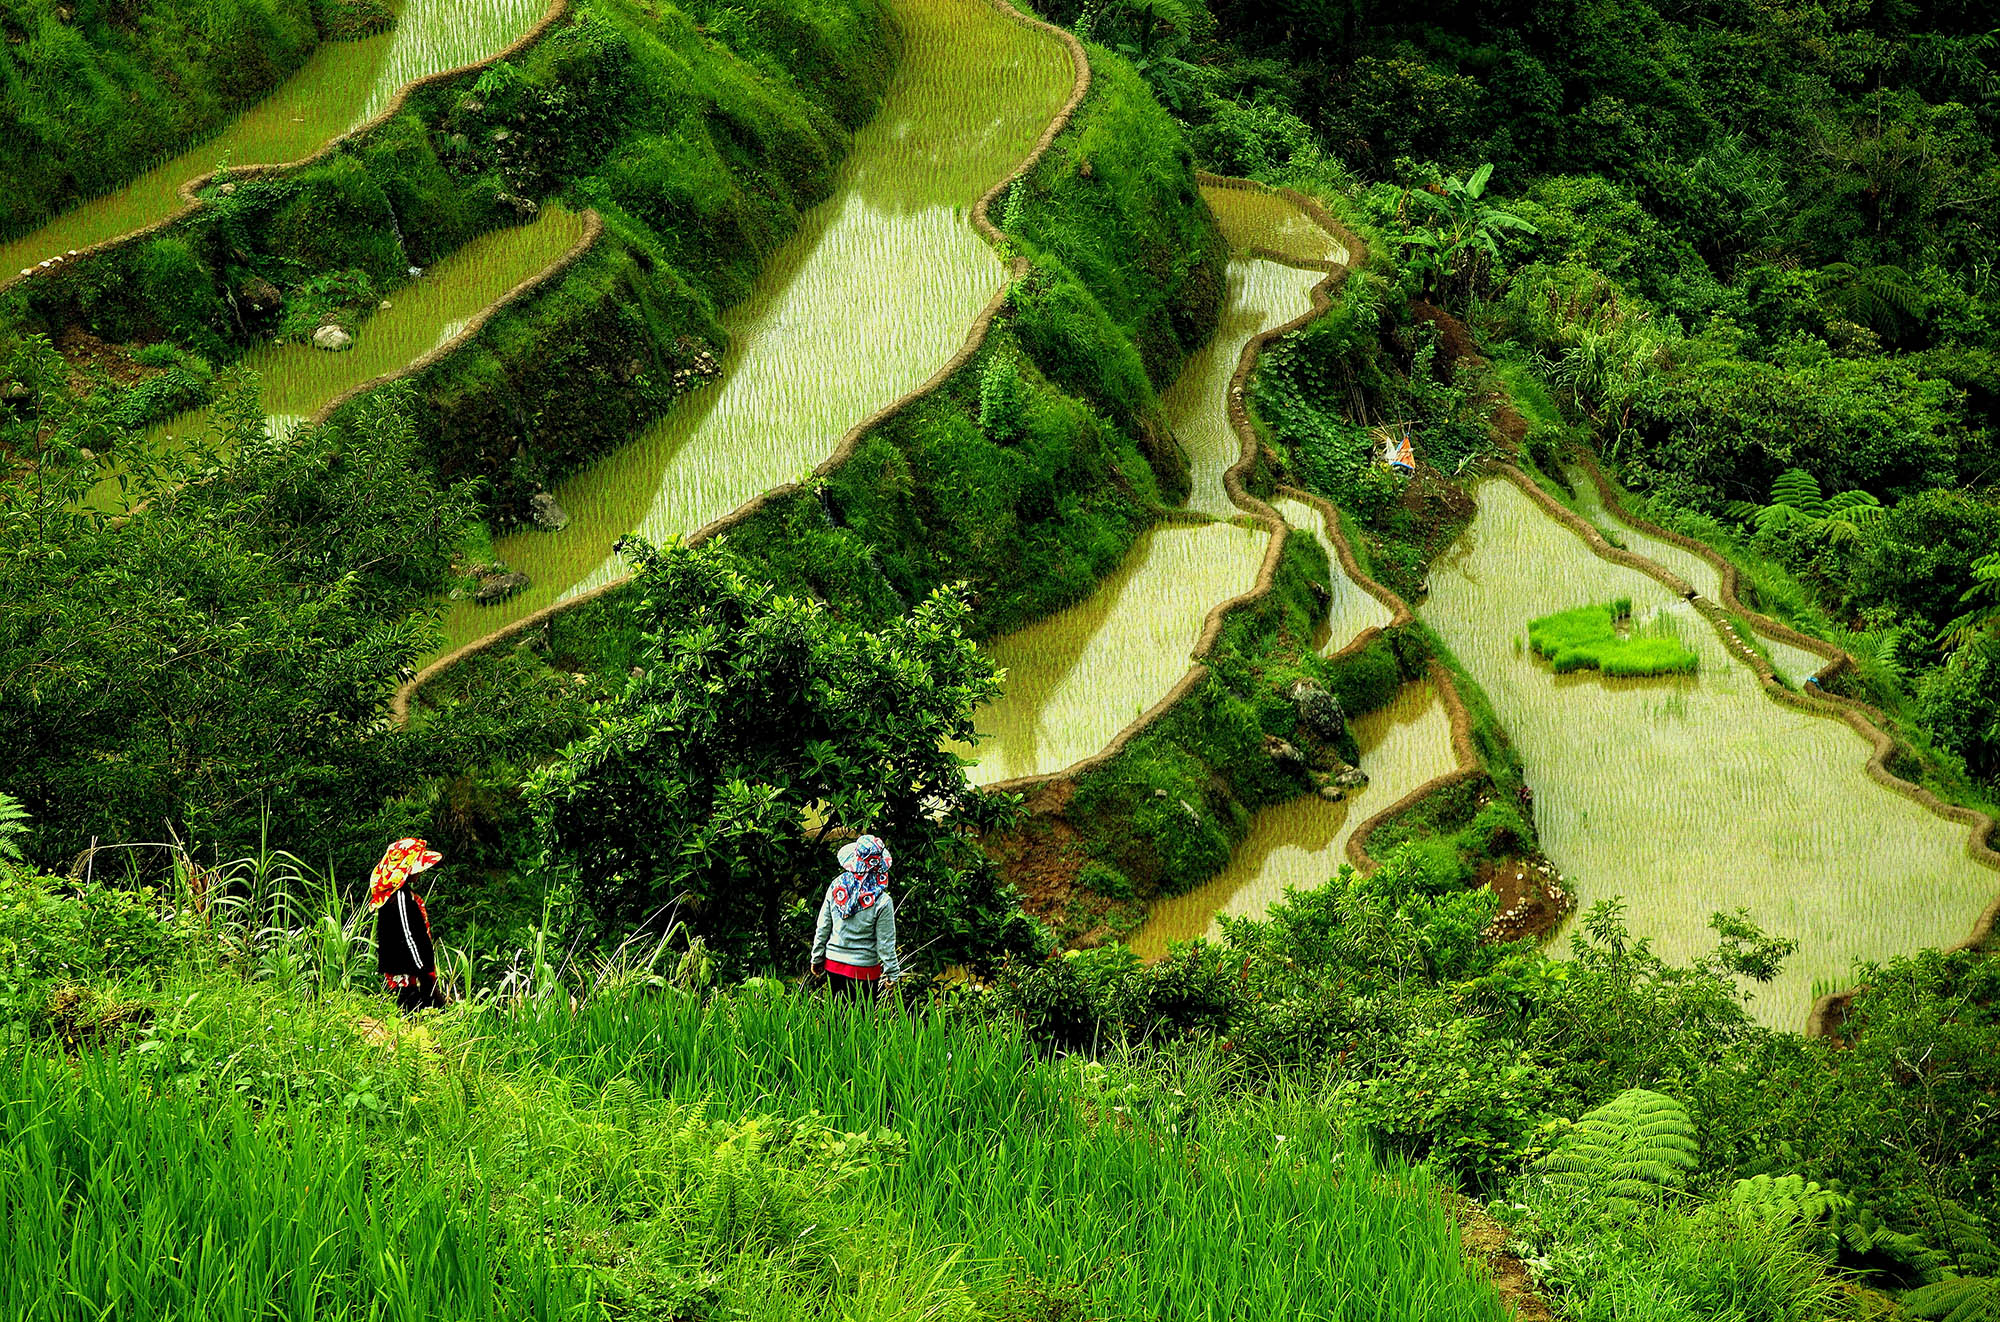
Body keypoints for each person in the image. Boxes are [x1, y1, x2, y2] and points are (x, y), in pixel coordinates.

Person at [810, 834, 900, 998]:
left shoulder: (836, 888)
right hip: (864, 971)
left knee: (836, 1019)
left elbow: (823, 926)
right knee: (861, 1021)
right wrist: (892, 973)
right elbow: (885, 942)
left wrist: (816, 957)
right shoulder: (882, 901)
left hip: (833, 965)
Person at [370, 837, 447, 1012]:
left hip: (410, 969)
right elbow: (408, 935)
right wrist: (423, 970)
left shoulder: (396, 896)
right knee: (415, 1011)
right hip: (407, 971)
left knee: (420, 1013)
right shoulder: (400, 898)